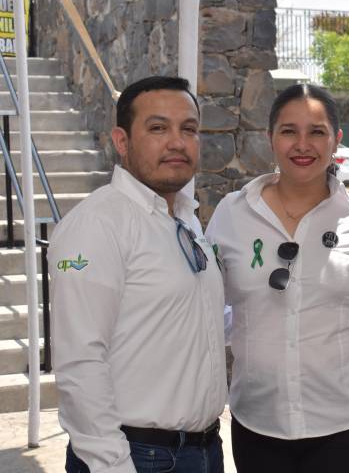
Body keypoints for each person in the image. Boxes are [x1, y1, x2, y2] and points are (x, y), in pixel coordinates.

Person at [205, 83, 349, 473]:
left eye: (317, 132)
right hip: (259, 423)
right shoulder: (232, 214)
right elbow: (212, 307)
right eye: (289, 131)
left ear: (336, 141)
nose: (303, 144)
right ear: (270, 138)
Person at [50, 76, 227, 473]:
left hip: (202, 451)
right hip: (137, 456)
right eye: (158, 128)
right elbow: (79, 363)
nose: (177, 142)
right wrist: (113, 464)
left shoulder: (182, 216)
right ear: (122, 140)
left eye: (189, 129)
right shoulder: (97, 226)